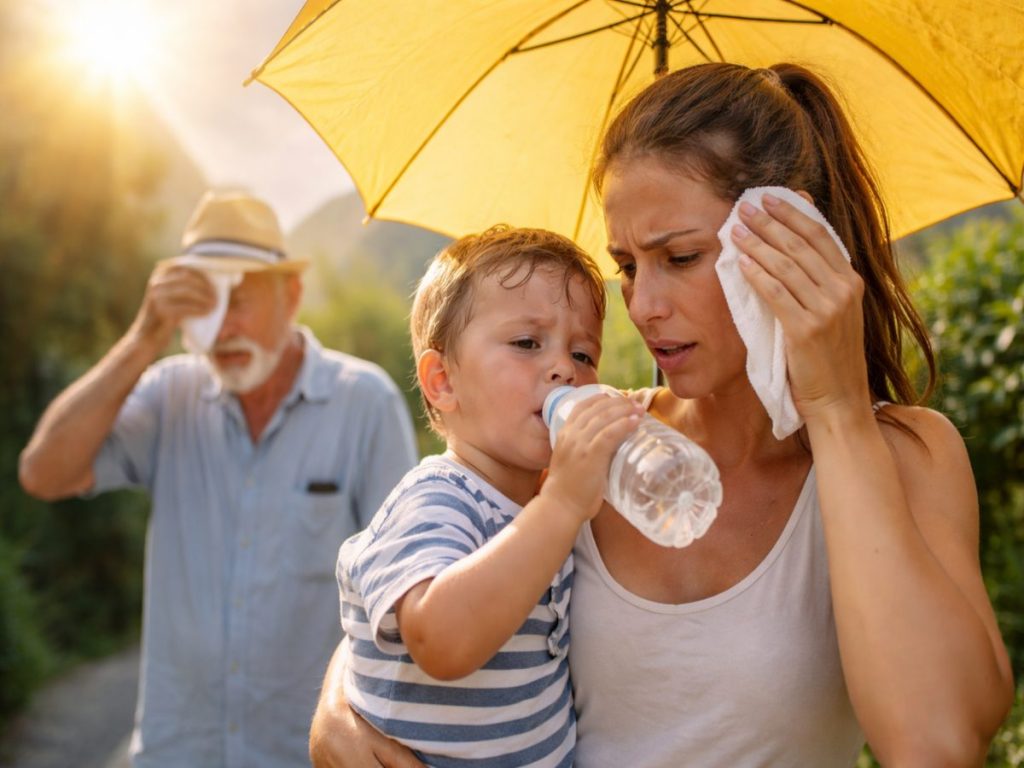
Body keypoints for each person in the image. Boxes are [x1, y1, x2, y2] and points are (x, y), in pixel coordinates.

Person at [308, 62, 1014, 768]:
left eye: (679, 256)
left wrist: (836, 410)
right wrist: (338, 708)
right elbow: (420, 591)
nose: (643, 307)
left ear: (788, 240)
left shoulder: (904, 455)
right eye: (627, 266)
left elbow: (935, 744)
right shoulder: (586, 443)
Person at [18, 190, 419, 767]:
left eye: (242, 298)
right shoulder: (166, 392)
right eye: (204, 303)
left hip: (304, 757)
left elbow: (397, 601)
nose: (224, 326)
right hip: (175, 752)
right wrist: (142, 340)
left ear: (293, 297)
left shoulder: (363, 402)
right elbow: (43, 473)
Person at [337, 225, 641, 767]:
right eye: (527, 343)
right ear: (442, 381)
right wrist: (563, 505)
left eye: (584, 354)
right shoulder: (437, 497)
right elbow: (442, 640)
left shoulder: (538, 502)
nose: (564, 370)